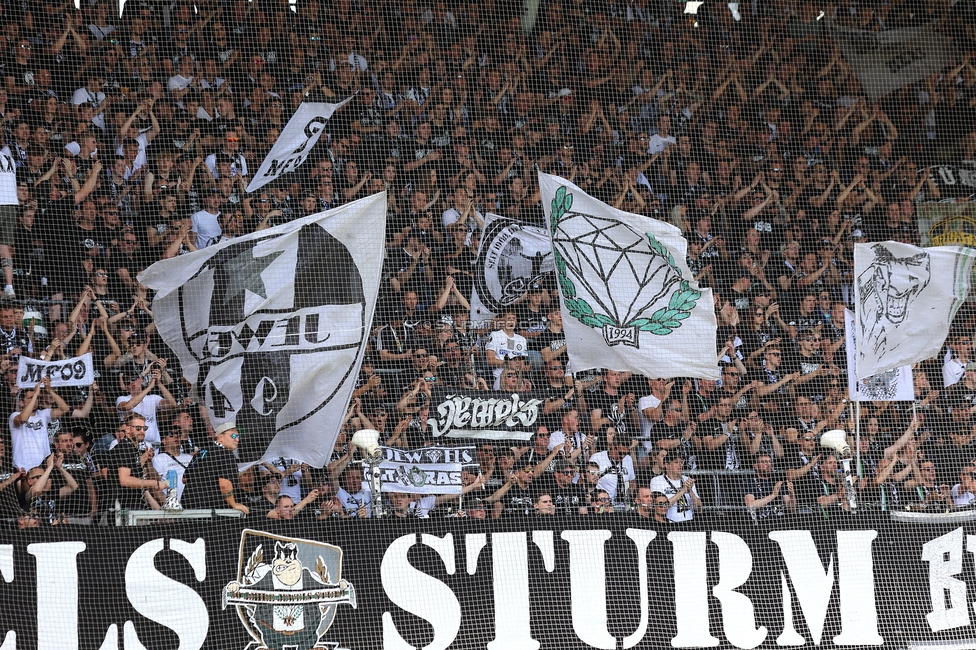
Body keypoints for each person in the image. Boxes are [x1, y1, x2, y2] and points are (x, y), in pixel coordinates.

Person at [181, 422, 248, 514]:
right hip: (211, 512)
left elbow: (185, 479)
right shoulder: (226, 455)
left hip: (188, 508)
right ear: (220, 437)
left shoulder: (202, 452)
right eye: (233, 436)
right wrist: (234, 504)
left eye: (238, 437)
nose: (237, 440)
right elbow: (224, 485)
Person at [649, 451, 702, 523]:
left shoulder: (687, 480)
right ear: (667, 465)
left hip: (690, 523)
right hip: (670, 523)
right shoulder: (657, 481)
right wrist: (682, 491)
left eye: (681, 462)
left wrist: (690, 491)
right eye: (676, 462)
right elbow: (662, 505)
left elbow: (699, 508)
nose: (680, 465)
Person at [743, 454, 795, 520]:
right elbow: (750, 506)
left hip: (781, 522)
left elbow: (791, 510)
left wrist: (792, 494)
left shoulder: (778, 482)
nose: (768, 464)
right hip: (762, 523)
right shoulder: (750, 483)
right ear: (755, 466)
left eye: (770, 462)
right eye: (764, 462)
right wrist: (773, 495)